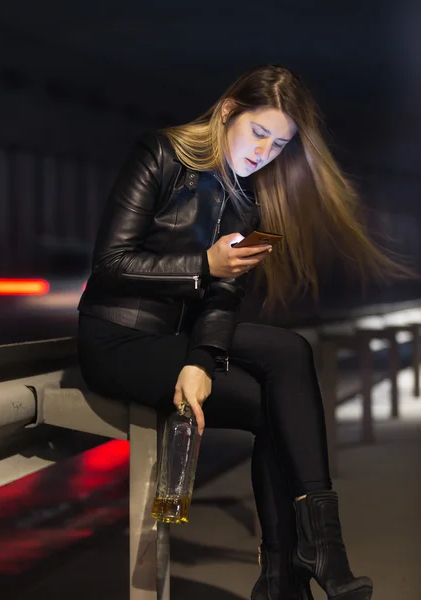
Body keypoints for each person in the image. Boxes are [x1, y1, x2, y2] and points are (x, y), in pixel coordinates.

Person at [77, 64, 404, 599]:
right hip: (117, 339)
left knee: (283, 386)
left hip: (176, 344)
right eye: (259, 133)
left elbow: (224, 297)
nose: (264, 153)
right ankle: (306, 559)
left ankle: (290, 568)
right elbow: (109, 263)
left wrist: (201, 360)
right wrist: (203, 265)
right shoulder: (160, 154)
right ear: (229, 111)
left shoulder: (246, 200)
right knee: (287, 361)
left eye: (279, 146)